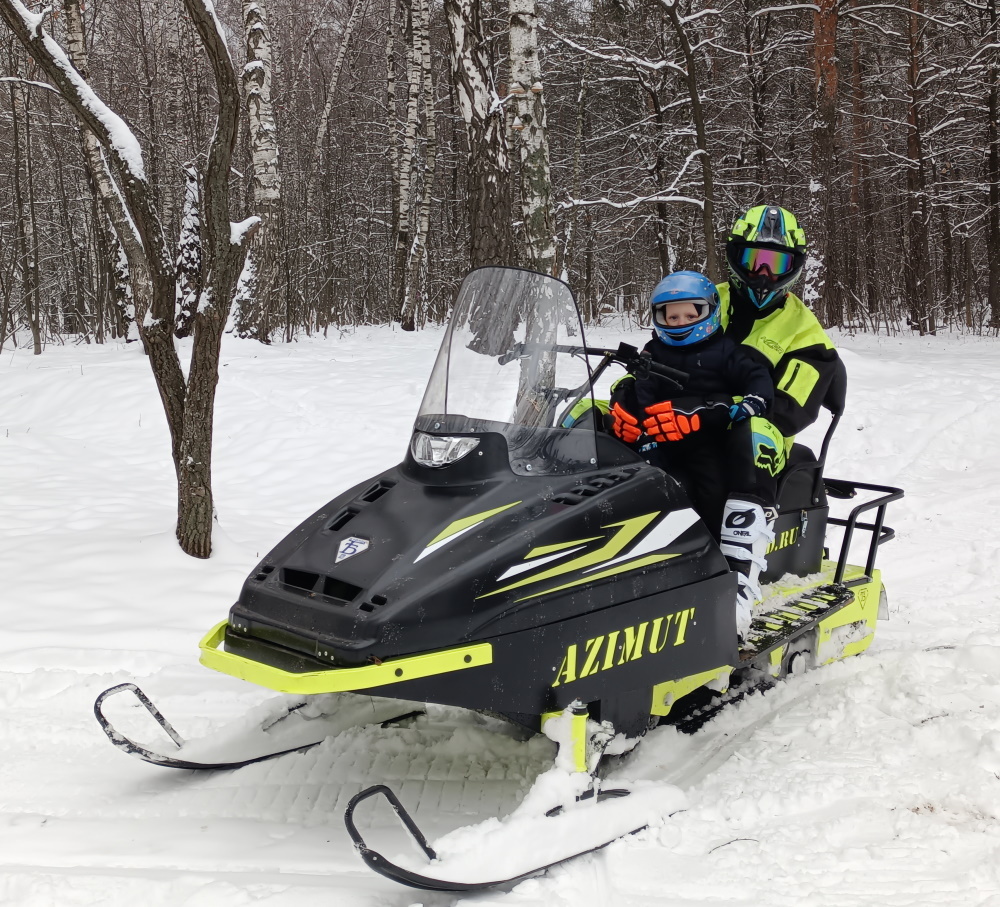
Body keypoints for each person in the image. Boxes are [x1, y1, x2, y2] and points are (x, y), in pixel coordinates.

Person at [608, 270, 774, 642]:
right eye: (671, 316)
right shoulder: (653, 351)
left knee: (712, 490)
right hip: (656, 441)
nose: (680, 322)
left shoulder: (728, 350)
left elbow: (758, 379)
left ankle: (723, 561)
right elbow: (638, 387)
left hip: (707, 442)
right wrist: (623, 407)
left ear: (709, 312)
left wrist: (745, 403)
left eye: (690, 314)